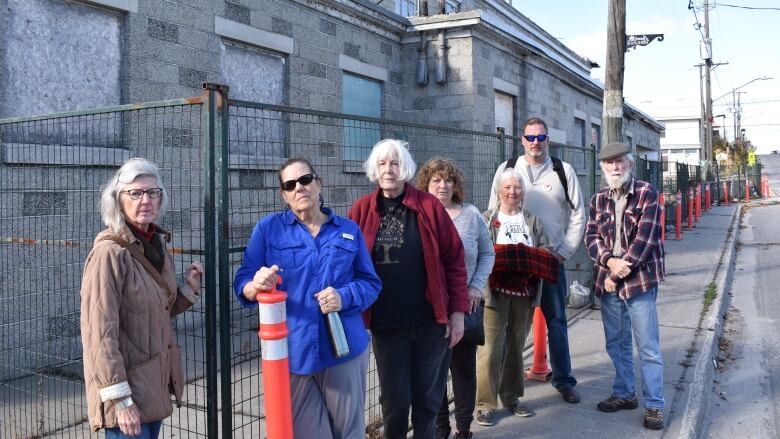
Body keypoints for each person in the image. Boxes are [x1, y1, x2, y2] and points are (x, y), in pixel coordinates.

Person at [234, 158, 381, 439]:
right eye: (290, 184)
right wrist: (255, 285)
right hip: (295, 352)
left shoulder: (347, 230)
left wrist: (344, 296)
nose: (299, 188)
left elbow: (370, 283)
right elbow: (242, 281)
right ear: (284, 195)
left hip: (344, 350)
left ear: (318, 183)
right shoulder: (268, 230)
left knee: (348, 433)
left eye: (305, 180)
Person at [348, 139, 469, 439]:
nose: (388, 169)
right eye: (382, 163)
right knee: (394, 401)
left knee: (427, 400)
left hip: (430, 323)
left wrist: (457, 313)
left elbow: (455, 260)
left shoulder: (428, 206)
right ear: (374, 170)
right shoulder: (362, 210)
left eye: (394, 163)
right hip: (386, 325)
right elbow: (344, 261)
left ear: (405, 168)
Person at [80, 158, 203, 438]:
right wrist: (121, 401)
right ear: (118, 201)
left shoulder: (154, 244)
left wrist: (187, 290)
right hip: (127, 393)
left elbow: (155, 311)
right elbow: (99, 335)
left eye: (152, 192)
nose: (145, 199)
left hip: (152, 384)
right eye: (135, 193)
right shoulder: (109, 254)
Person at [488, 116, 586, 404]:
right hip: (513, 263)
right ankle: (504, 386)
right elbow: (493, 210)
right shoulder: (507, 169)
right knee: (508, 325)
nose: (535, 143)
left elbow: (579, 212)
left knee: (556, 321)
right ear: (522, 140)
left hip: (549, 260)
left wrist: (565, 250)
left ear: (547, 140)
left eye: (541, 138)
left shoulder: (562, 170)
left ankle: (564, 381)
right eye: (530, 137)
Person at [584, 142, 666, 430]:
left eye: (619, 162)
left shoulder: (648, 193)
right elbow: (591, 238)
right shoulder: (598, 200)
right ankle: (624, 393)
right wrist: (608, 262)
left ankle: (654, 405)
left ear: (629, 164)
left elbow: (645, 241)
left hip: (638, 282)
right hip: (609, 280)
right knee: (616, 343)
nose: (615, 167)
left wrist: (615, 274)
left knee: (648, 346)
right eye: (609, 164)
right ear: (603, 168)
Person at [417, 158, 495, 439]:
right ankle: (440, 428)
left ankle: (464, 429)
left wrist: (475, 286)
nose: (442, 185)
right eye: (436, 180)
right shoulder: (418, 215)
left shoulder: (471, 215)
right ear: (426, 184)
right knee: (433, 373)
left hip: (466, 305)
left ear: (456, 184)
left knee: (463, 371)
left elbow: (488, 253)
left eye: (448, 180)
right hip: (429, 309)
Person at [475, 167, 559, 427]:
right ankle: (485, 404)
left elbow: (545, 251)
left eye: (518, 187)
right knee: (489, 349)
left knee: (515, 346)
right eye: (508, 187)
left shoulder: (531, 220)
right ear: (499, 190)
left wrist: (524, 258)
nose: (513, 192)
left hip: (524, 294)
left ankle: (511, 397)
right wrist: (512, 257)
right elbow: (480, 252)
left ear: (523, 192)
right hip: (494, 295)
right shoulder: (487, 219)